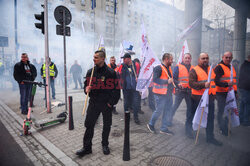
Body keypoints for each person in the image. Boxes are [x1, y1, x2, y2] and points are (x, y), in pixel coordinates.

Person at [76, 50, 120, 157]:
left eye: (96, 57)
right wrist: (87, 89)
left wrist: (111, 103)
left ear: (102, 58)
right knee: (89, 125)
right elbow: (86, 88)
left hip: (106, 104)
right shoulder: (90, 72)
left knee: (106, 125)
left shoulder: (111, 73)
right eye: (93, 57)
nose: (93, 59)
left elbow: (116, 90)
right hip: (94, 103)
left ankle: (105, 144)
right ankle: (87, 148)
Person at [189, 53, 222, 146]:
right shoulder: (194, 70)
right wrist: (203, 85)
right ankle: (189, 131)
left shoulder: (211, 69)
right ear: (199, 59)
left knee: (210, 118)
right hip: (197, 99)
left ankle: (210, 137)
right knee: (193, 117)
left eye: (207, 58)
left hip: (210, 99)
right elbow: (191, 84)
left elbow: (214, 82)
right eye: (203, 58)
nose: (205, 60)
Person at [147, 53, 174, 135]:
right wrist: (166, 82)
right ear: (166, 59)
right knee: (159, 110)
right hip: (160, 94)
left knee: (167, 111)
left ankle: (164, 128)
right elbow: (155, 79)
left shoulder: (169, 68)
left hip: (168, 94)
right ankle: (151, 124)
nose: (172, 61)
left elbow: (171, 80)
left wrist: (176, 84)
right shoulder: (158, 68)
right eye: (171, 59)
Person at [170, 53, 193, 138]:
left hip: (189, 92)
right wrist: (178, 83)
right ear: (183, 59)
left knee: (190, 110)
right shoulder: (178, 67)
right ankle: (169, 119)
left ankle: (188, 129)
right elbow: (174, 78)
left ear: (191, 59)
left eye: (189, 58)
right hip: (180, 91)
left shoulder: (193, 68)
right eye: (186, 58)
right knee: (175, 106)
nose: (187, 59)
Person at [214, 51, 237, 136]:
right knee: (221, 111)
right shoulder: (219, 67)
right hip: (221, 93)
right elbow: (216, 81)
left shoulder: (231, 67)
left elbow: (233, 81)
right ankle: (221, 128)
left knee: (228, 110)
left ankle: (225, 126)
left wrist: (235, 92)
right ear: (222, 57)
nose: (228, 59)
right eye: (226, 57)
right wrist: (226, 84)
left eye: (230, 57)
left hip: (230, 93)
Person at [117, 53, 141, 124]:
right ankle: (127, 116)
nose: (124, 60)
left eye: (125, 59)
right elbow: (118, 74)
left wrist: (138, 78)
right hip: (126, 88)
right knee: (126, 102)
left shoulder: (134, 65)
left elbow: (139, 72)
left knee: (136, 102)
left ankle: (136, 117)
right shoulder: (122, 65)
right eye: (123, 59)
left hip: (134, 88)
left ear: (129, 59)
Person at [238, 55, 250, 126]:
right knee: (247, 104)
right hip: (245, 88)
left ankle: (240, 119)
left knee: (243, 103)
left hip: (243, 87)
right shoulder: (247, 66)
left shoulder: (244, 65)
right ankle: (245, 121)